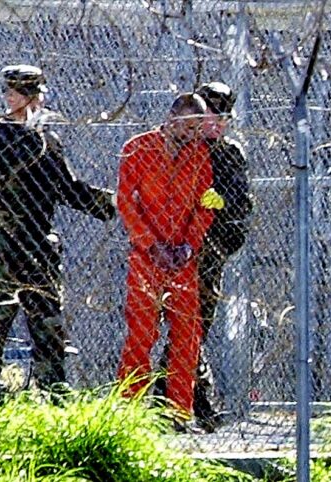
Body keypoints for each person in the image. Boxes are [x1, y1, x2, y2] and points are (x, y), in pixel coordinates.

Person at [0, 64, 116, 404]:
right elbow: (5, 178)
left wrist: (109, 204)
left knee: (48, 329)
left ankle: (55, 398)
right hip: (1, 246)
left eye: (19, 94)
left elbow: (66, 186)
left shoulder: (47, 139)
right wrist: (34, 136)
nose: (11, 98)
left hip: (38, 246)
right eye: (12, 93)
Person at [155, 82, 252, 431]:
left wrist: (219, 204)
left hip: (209, 252)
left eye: (223, 115)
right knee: (184, 327)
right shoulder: (178, 149)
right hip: (172, 250)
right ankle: (183, 401)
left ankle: (183, 401)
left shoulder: (228, 153)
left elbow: (240, 202)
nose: (218, 122)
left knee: (194, 328)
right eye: (212, 113)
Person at [116, 93, 219, 419]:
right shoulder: (138, 148)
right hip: (148, 257)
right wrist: (150, 243)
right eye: (188, 126)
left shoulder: (200, 155)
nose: (193, 134)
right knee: (142, 333)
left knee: (187, 336)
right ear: (172, 118)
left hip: (182, 258)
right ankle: (128, 412)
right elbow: (125, 202)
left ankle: (178, 412)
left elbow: (205, 205)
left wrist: (189, 244)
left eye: (198, 127)